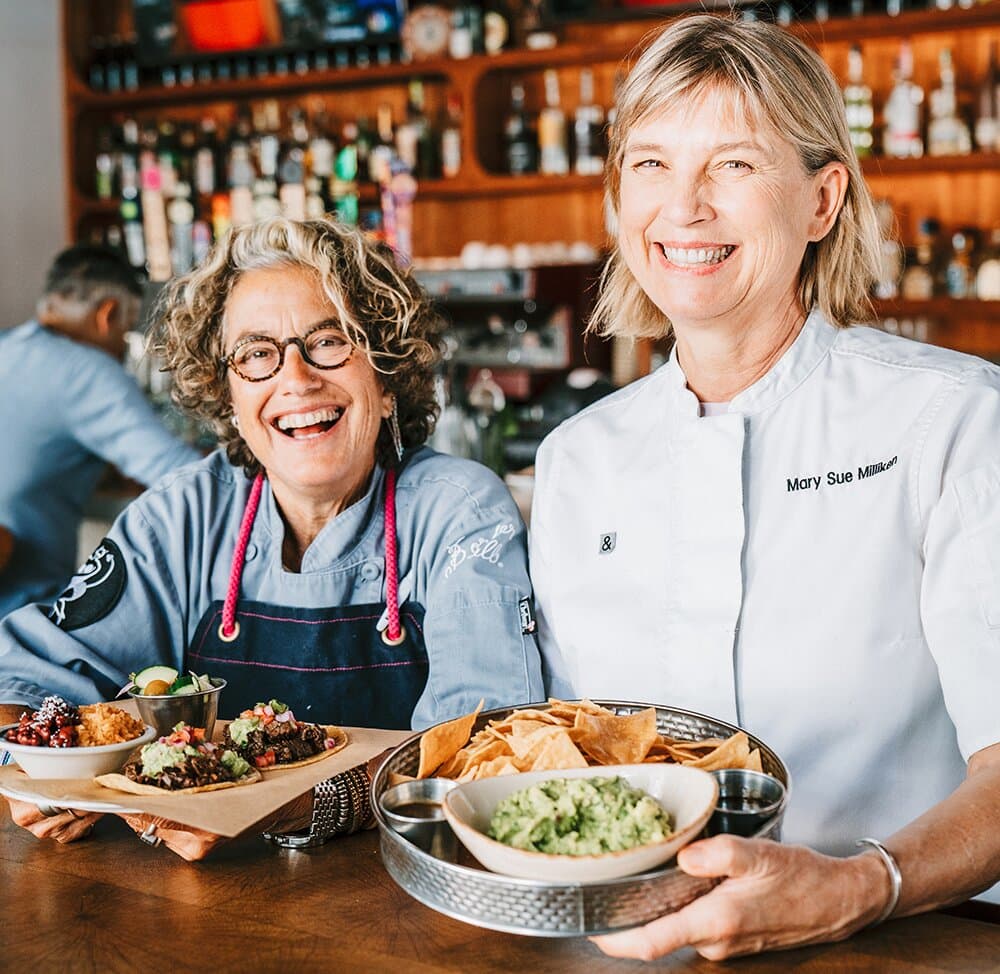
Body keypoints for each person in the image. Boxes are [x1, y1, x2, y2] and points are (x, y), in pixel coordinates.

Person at [530, 15, 1000, 962]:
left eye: (735, 166)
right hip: (637, 947)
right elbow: (564, 753)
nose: (685, 208)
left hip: (909, 942)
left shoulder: (955, 422)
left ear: (823, 200)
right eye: (651, 164)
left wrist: (860, 886)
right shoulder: (578, 459)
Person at [0, 216, 543, 857]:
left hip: (404, 901)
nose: (296, 378)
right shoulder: (181, 516)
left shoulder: (459, 511)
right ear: (228, 394)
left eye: (330, 340)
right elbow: (26, 679)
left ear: (388, 377)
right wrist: (44, 769)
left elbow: (487, 741)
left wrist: (277, 804)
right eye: (257, 353)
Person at [0, 244, 200, 619]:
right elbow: (179, 474)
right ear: (108, 315)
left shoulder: (7, 346)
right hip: (25, 620)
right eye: (126, 331)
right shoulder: (86, 370)